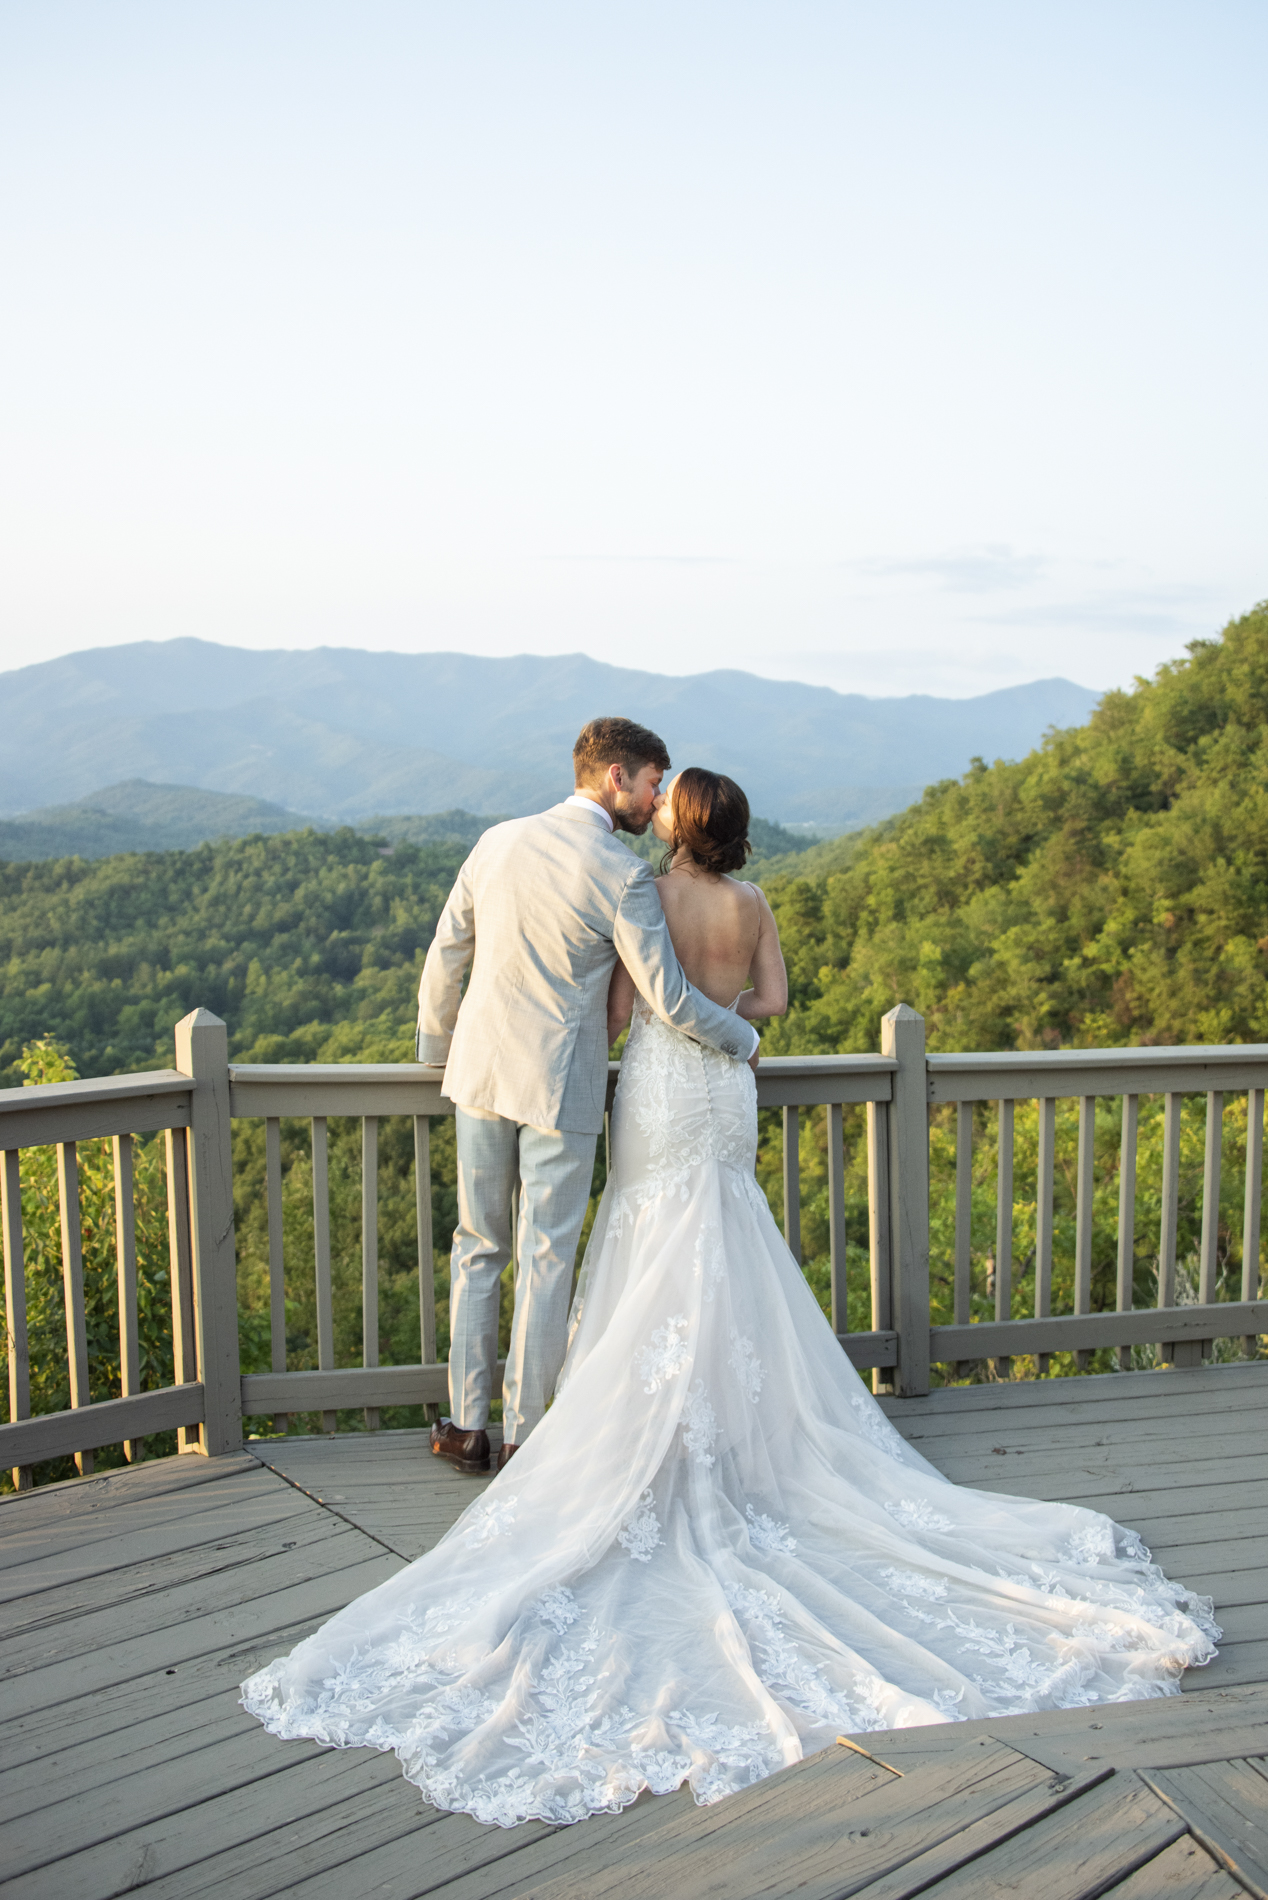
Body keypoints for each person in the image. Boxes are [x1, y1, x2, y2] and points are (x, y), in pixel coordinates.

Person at [242, 766, 1218, 1830]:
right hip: (724, 1090)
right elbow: (774, 1001)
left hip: (663, 1078)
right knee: (724, 1236)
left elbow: (624, 1005)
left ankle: (595, 1425)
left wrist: (624, 1025)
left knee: (643, 1236)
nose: (651, 809)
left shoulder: (642, 893)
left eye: (664, 804)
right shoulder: (750, 904)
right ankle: (741, 1435)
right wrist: (735, 1023)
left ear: (677, 825)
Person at [415, 718, 759, 1475]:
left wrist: (439, 1053)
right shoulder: (620, 872)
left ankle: (464, 1425)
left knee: (477, 1248)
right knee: (545, 1257)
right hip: (559, 1084)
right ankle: (523, 1437)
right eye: (652, 783)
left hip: (477, 1075)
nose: (656, 800)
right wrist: (744, 1040)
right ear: (615, 777)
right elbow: (667, 997)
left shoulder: (494, 842)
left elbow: (448, 953)